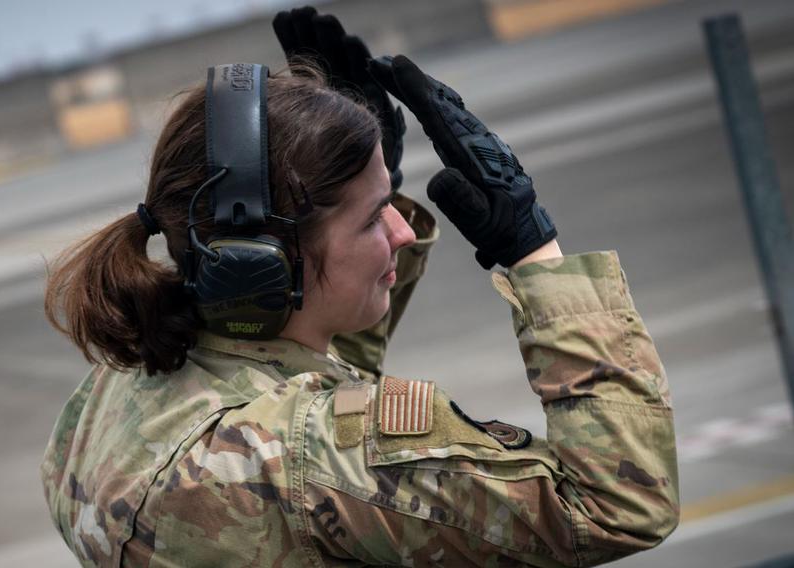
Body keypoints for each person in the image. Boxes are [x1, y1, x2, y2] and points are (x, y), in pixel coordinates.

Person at [41, 7, 679, 567]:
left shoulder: (119, 390)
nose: (404, 231)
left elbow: (296, 395)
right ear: (263, 265)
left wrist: (359, 169)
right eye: (375, 215)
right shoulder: (308, 462)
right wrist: (536, 255)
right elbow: (617, 505)